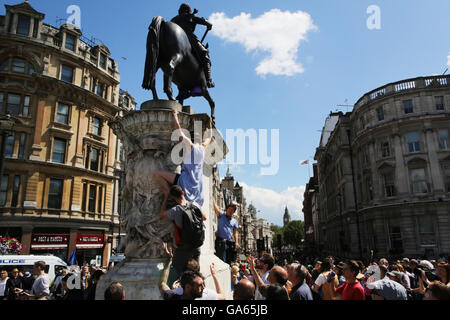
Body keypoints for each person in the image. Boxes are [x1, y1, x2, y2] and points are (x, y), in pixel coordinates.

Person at [154, 109, 213, 208]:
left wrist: (175, 116)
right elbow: (209, 137)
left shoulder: (190, 146)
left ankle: (167, 192)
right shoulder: (203, 148)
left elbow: (179, 132)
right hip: (197, 185)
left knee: (157, 174)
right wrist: (210, 124)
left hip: (184, 180)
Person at [160, 185, 207, 276]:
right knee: (195, 273)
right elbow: (204, 217)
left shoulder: (176, 210)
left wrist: (165, 197)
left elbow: (161, 214)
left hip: (184, 247)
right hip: (197, 245)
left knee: (176, 272)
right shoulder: (195, 204)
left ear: (173, 198)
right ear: (183, 193)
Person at [171, 3, 215, 88]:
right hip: (189, 38)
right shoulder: (190, 16)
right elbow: (208, 23)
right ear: (188, 10)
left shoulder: (174, 19)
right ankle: (209, 80)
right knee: (205, 53)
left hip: (173, 41)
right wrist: (209, 25)